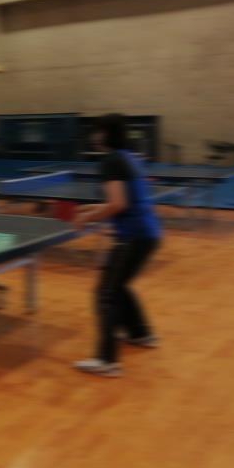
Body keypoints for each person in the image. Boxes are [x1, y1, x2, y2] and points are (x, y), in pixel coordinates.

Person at [72, 113, 161, 377]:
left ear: (105, 134)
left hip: (132, 235)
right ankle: (140, 333)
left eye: (97, 130)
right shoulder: (128, 157)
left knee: (106, 293)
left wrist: (87, 218)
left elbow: (118, 204)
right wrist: (92, 208)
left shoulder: (110, 161)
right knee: (119, 286)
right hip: (148, 233)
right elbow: (125, 199)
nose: (93, 135)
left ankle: (107, 360)